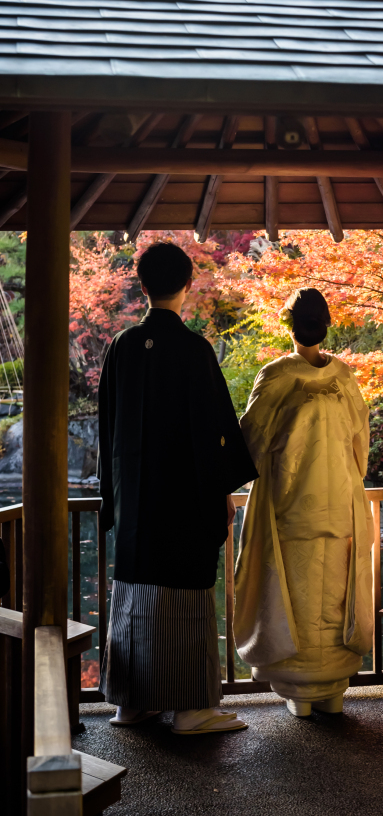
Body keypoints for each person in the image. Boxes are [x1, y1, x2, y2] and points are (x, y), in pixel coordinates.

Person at [98, 241, 257, 734]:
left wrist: (113, 496)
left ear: (142, 286)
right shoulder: (194, 350)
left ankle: (131, 702)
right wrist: (223, 492)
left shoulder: (122, 347)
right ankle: (190, 709)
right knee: (185, 596)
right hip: (185, 503)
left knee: (134, 594)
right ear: (187, 286)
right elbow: (216, 430)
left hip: (137, 506)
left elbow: (107, 430)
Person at [234, 288, 373, 717]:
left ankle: (301, 692)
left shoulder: (276, 375)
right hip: (342, 503)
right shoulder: (345, 377)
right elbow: (360, 446)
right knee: (334, 596)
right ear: (325, 325)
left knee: (293, 594)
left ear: (288, 325)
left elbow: (249, 442)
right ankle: (330, 690)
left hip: (290, 505)